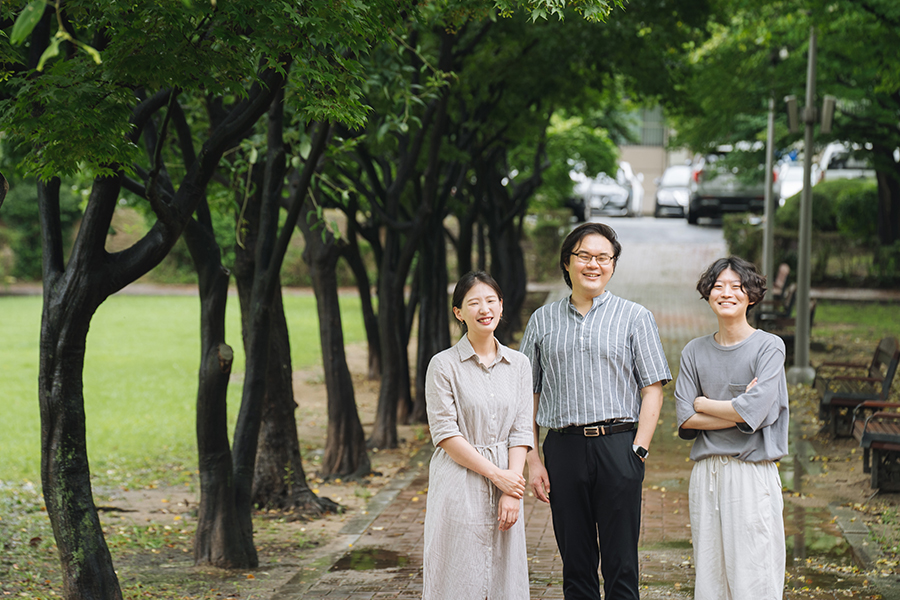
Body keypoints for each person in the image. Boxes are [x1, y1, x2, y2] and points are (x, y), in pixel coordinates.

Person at [520, 222, 671, 600]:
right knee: (576, 564)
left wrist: (639, 449)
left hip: (619, 446)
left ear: (613, 265)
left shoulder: (635, 317)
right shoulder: (542, 320)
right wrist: (533, 459)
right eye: (584, 256)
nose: (594, 264)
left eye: (603, 257)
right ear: (567, 263)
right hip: (563, 449)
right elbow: (526, 394)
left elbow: (652, 388)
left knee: (622, 565)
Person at [675, 256, 789, 600]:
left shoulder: (769, 347)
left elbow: (758, 411)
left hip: (751, 473)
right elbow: (684, 417)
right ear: (708, 293)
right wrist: (739, 411)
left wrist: (704, 404)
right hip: (706, 473)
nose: (727, 293)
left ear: (751, 296)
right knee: (710, 576)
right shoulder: (693, 351)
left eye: (737, 287)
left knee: (754, 574)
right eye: (719, 286)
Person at [423, 271, 534, 599]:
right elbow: (445, 434)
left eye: (490, 301)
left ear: (501, 306)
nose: (484, 309)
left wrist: (512, 489)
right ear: (459, 312)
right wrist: (498, 476)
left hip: (507, 477)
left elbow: (521, 430)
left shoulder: (519, 364)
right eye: (474, 302)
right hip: (459, 480)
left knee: (504, 577)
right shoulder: (443, 366)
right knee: (456, 574)